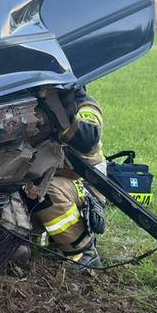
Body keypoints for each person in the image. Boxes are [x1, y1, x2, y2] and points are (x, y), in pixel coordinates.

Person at [29, 85, 107, 269]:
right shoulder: (35, 102)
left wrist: (59, 112)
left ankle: (83, 251)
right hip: (52, 174)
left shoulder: (85, 105)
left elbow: (88, 137)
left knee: (42, 191)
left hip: (85, 183)